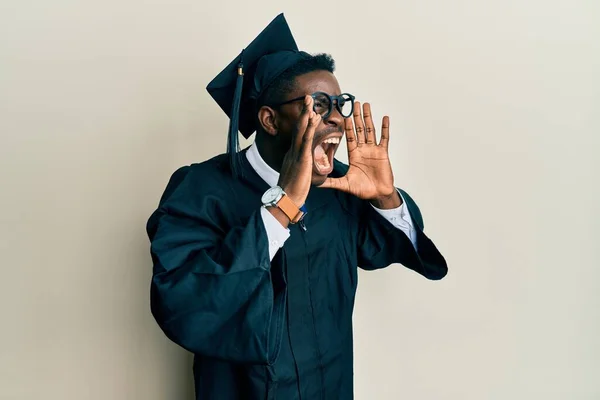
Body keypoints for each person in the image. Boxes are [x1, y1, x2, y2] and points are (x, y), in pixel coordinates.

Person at [146, 13, 448, 400]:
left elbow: (385, 249)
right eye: (320, 105)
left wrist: (384, 198)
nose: (338, 118)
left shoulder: (340, 184)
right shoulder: (201, 189)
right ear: (270, 119)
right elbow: (183, 303)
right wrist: (282, 206)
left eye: (340, 104)